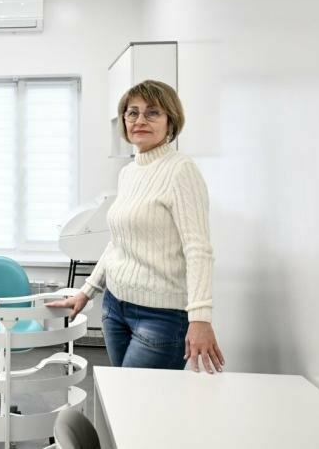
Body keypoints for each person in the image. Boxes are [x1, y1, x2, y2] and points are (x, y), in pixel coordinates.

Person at [47, 80, 225, 373]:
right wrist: (87, 291)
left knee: (140, 398)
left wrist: (200, 318)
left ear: (170, 121)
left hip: (161, 317)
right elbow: (118, 242)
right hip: (115, 307)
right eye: (133, 113)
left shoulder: (181, 170)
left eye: (152, 112)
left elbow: (198, 250)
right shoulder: (128, 172)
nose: (140, 120)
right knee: (123, 394)